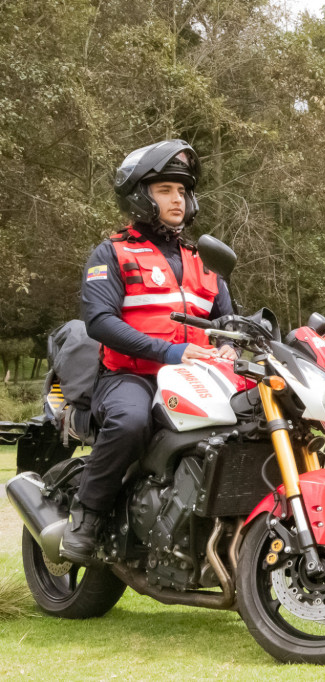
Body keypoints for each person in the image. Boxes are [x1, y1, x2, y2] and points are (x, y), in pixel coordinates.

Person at [61, 140, 236, 565]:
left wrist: (231, 345)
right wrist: (171, 352)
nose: (177, 199)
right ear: (140, 195)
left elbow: (228, 322)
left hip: (198, 377)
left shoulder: (204, 260)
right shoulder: (113, 252)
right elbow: (100, 322)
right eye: (165, 190)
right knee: (130, 422)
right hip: (130, 376)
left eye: (182, 191)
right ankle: (86, 514)